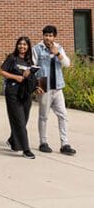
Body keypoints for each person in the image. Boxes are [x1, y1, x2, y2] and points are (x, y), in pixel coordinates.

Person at [33, 25, 76, 155]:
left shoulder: (59, 48)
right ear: (43, 36)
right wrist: (36, 85)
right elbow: (33, 67)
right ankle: (43, 142)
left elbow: (67, 64)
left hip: (58, 86)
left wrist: (57, 53)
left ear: (54, 36)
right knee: (43, 116)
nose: (48, 38)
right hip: (44, 85)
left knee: (63, 115)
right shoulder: (37, 49)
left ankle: (65, 144)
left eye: (50, 35)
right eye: (46, 35)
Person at [0, 36, 37, 159]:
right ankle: (26, 150)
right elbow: (1, 71)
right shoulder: (12, 58)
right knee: (19, 121)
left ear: (28, 47)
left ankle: (12, 140)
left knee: (23, 120)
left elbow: (32, 76)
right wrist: (15, 77)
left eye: (25, 45)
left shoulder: (29, 60)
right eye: (20, 44)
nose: (22, 46)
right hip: (13, 92)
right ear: (17, 45)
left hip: (25, 94)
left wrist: (36, 87)